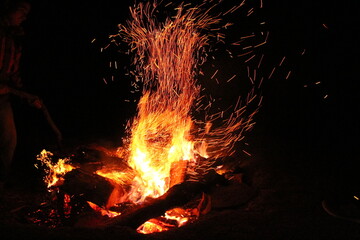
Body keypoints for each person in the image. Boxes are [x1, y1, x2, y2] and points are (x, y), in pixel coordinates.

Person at [0, 0, 34, 194]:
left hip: (3, 99)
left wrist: (25, 93)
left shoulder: (14, 38)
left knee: (8, 141)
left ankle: (1, 183)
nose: (24, 17)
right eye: (21, 11)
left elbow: (13, 73)